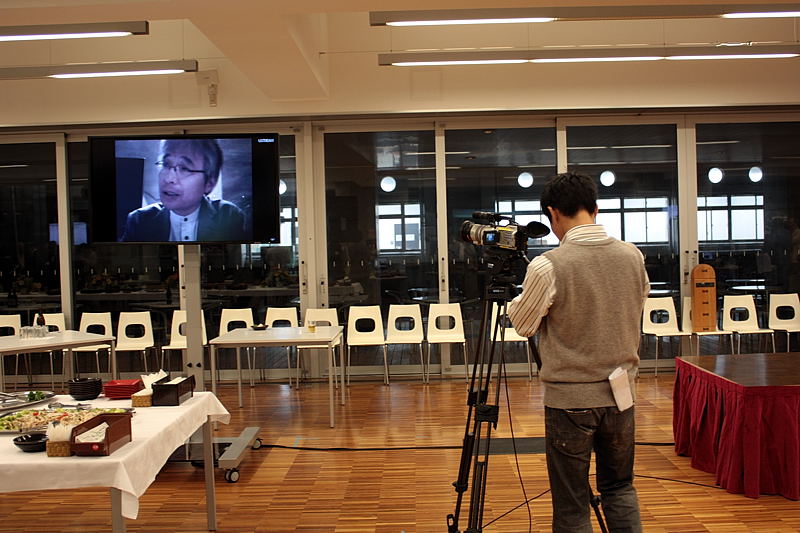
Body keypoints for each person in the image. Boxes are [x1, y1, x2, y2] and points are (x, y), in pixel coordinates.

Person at [507, 171, 649, 533]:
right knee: (620, 487)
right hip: (622, 394)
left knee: (572, 505)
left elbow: (523, 325)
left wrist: (514, 302)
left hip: (570, 399)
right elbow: (637, 302)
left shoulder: (548, 265)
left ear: (553, 213)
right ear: (595, 209)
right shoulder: (632, 256)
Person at [120, 138, 246, 242]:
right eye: (166, 164)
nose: (169, 179)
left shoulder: (229, 216)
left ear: (209, 183)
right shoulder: (139, 220)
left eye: (184, 168)